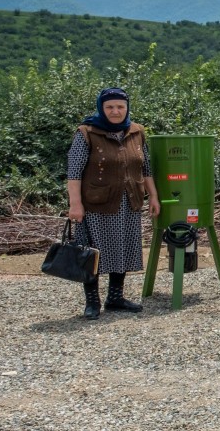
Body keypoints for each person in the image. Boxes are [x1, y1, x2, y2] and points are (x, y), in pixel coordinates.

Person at [66, 87, 161, 319]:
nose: (115, 111)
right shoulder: (86, 132)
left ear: (127, 108)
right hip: (96, 204)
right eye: (110, 107)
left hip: (129, 202)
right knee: (93, 253)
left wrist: (154, 196)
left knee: (123, 249)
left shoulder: (136, 132)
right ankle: (92, 302)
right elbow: (74, 171)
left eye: (120, 106)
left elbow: (146, 167)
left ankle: (115, 297)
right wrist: (75, 204)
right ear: (101, 108)